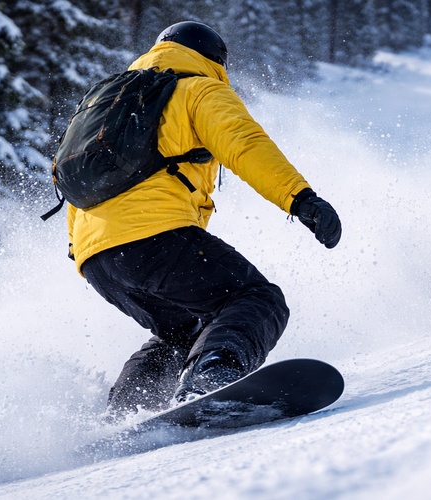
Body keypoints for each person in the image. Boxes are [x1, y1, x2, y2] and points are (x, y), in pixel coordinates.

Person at [66, 22, 342, 419]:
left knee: (183, 331)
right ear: (215, 59)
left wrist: (85, 252)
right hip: (155, 238)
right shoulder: (197, 88)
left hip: (97, 261)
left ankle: (127, 412)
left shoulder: (106, 104)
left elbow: (78, 181)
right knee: (257, 299)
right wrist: (300, 199)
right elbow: (245, 146)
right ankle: (212, 379)